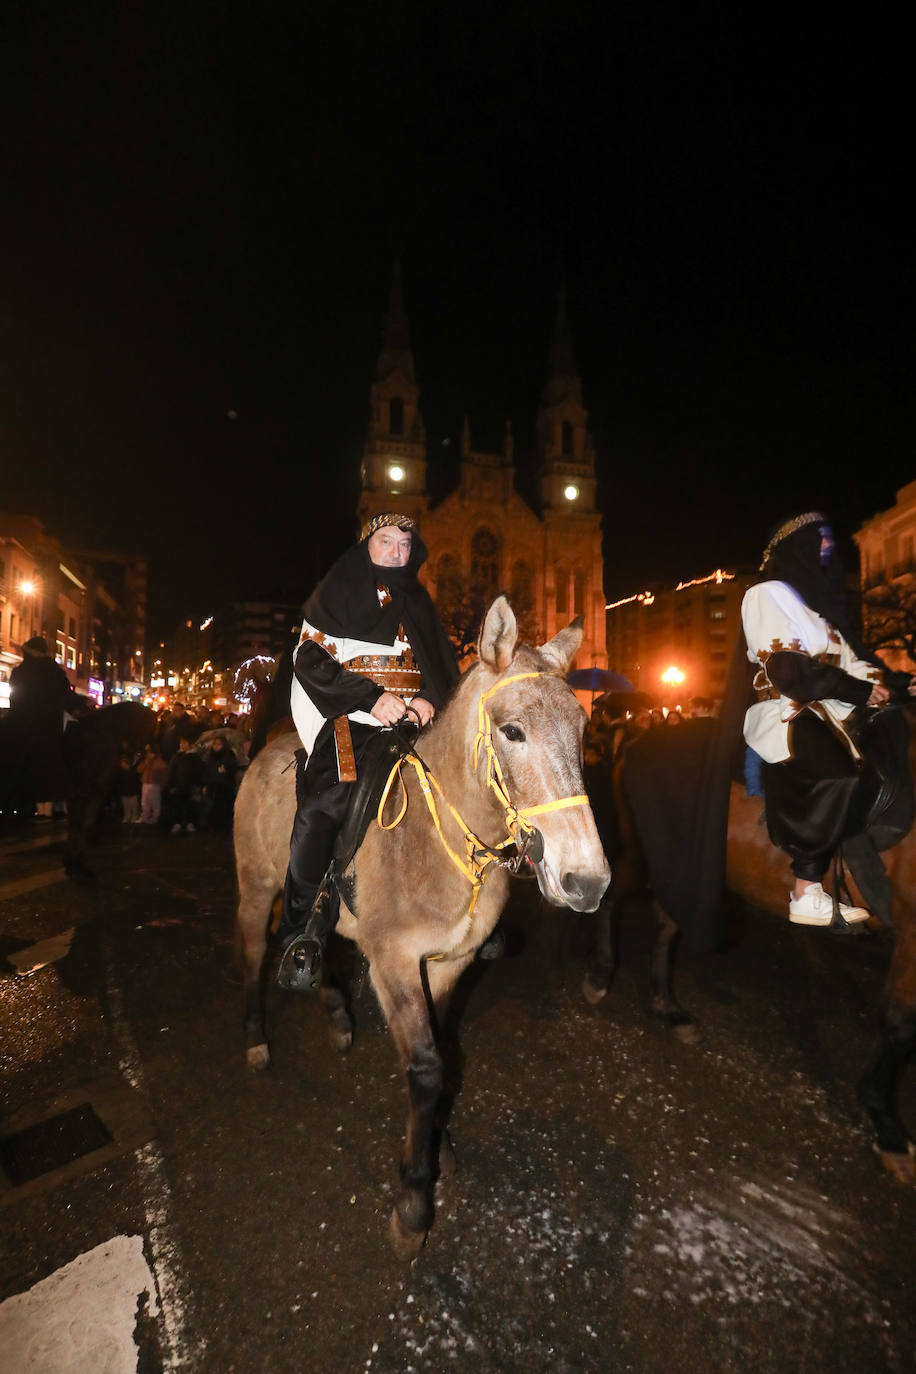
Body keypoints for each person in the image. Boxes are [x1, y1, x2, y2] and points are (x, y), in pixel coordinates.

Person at [277, 512, 459, 991]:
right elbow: (309, 659)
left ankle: (469, 910)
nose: (397, 551)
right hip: (346, 718)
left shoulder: (417, 601)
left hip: (411, 724)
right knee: (326, 804)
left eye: (405, 543)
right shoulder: (337, 591)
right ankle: (299, 933)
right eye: (386, 541)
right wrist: (369, 698)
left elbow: (442, 668)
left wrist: (429, 700)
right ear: (366, 546)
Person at [741, 510, 898, 928]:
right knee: (838, 774)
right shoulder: (768, 594)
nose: (828, 547)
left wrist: (897, 685)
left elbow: (855, 667)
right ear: (798, 548)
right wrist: (859, 691)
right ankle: (805, 888)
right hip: (789, 709)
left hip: (833, 711)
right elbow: (790, 672)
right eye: (819, 540)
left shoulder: (818, 616)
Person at [6, 636, 76, 818]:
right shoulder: (55, 672)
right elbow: (66, 696)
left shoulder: (20, 672)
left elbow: (16, 699)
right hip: (47, 729)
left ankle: (19, 803)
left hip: (21, 726)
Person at [165, 735, 205, 833]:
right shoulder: (177, 756)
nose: (182, 745)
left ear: (190, 744)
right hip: (178, 785)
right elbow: (171, 771)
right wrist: (170, 785)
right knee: (177, 804)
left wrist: (198, 785)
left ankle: (190, 823)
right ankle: (177, 823)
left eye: (184, 743)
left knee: (190, 805)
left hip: (191, 786)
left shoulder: (195, 757)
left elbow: (199, 772)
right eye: (181, 743)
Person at [201, 735, 238, 833]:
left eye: (218, 744)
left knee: (223, 809)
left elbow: (233, 768)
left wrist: (226, 769)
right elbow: (207, 771)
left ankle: (222, 828)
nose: (215, 746)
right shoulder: (211, 756)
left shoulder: (229, 755)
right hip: (212, 786)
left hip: (224, 787)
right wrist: (205, 785)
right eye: (214, 744)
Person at [139, 743, 168, 824]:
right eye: (147, 752)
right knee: (145, 802)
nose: (148, 754)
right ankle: (144, 817)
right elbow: (139, 770)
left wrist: (162, 785)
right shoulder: (145, 760)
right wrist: (145, 763)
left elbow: (164, 774)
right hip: (145, 784)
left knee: (155, 802)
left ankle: (155, 818)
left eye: (150, 752)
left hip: (155, 784)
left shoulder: (159, 761)